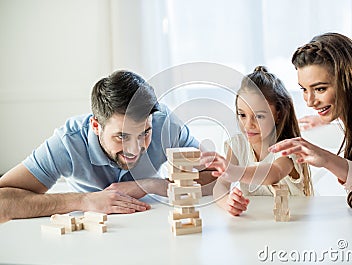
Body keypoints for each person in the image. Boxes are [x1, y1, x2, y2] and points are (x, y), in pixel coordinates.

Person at [0, 70, 214, 222]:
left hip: (152, 223)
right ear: (95, 125)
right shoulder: (68, 143)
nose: (135, 148)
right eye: (121, 136)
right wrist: (84, 201)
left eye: (145, 133)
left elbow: (214, 177)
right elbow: (3, 201)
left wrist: (151, 185)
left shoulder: (165, 124)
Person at [269, 32, 352, 209]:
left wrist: (326, 159)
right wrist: (325, 116)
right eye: (304, 89)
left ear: (349, 81)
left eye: (320, 89)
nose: (309, 102)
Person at [201, 66, 313, 216]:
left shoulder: (289, 148)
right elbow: (220, 186)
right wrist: (227, 201)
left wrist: (235, 171)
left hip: (293, 225)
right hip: (257, 223)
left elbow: (274, 173)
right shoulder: (237, 145)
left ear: (278, 115)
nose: (248, 125)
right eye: (242, 115)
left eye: (259, 116)